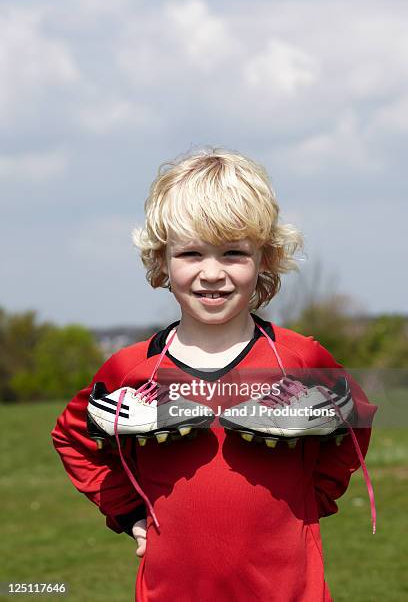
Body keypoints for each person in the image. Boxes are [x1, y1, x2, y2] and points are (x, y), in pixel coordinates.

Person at [52, 148, 377, 602]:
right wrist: (128, 512)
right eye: (190, 253)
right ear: (162, 261)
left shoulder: (300, 359)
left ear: (264, 258)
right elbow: (72, 437)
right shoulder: (132, 368)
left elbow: (356, 417)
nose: (212, 274)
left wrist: (313, 497)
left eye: (233, 253)